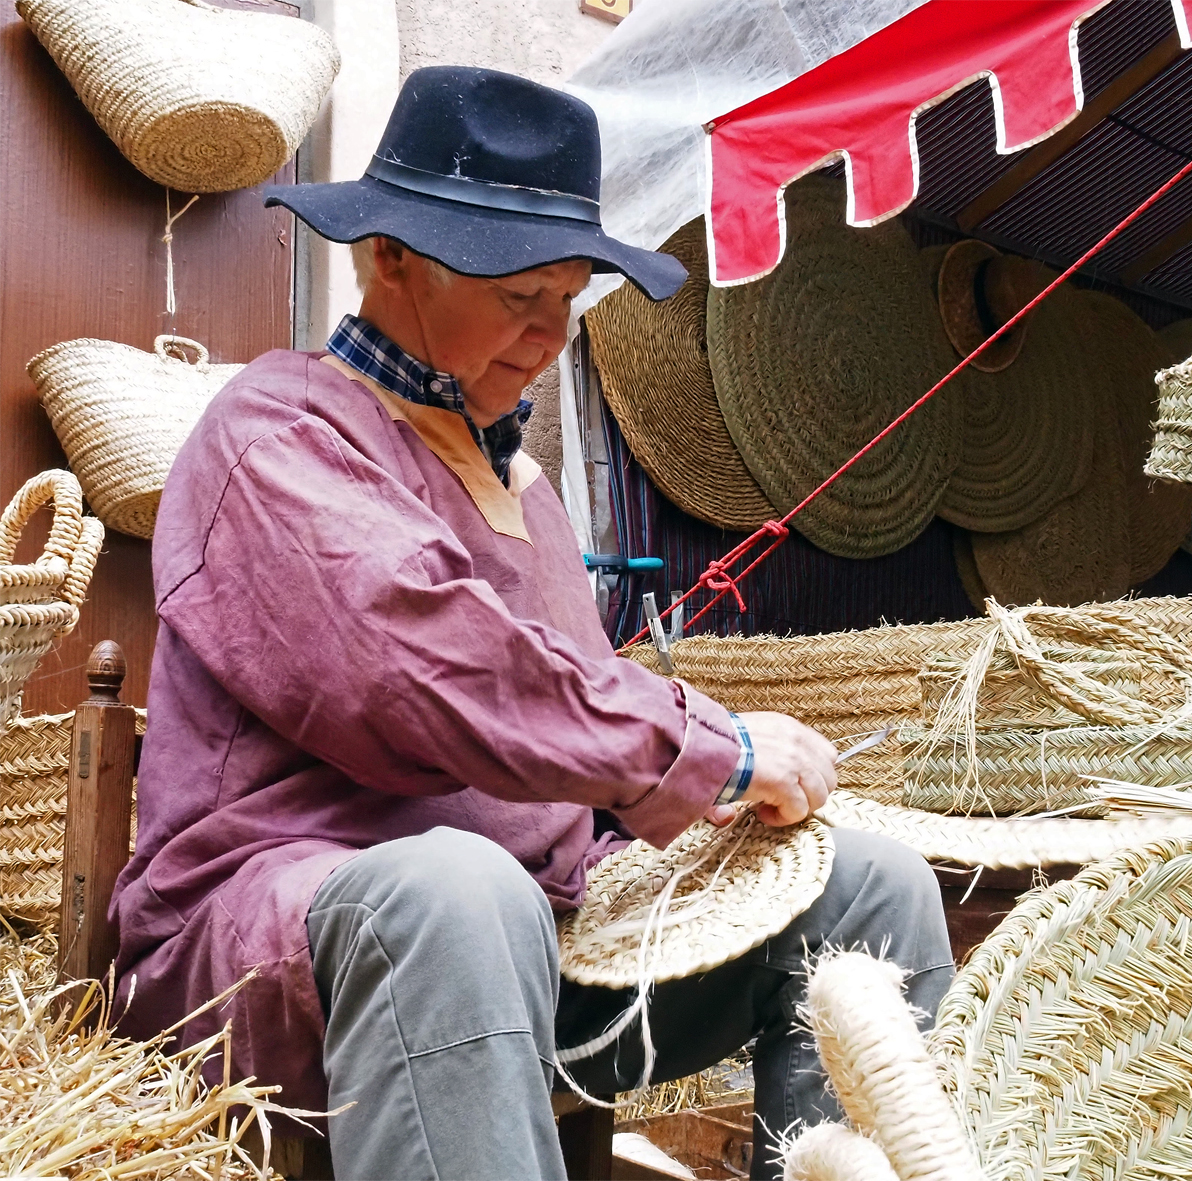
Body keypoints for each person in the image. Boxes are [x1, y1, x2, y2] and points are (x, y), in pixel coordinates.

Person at [108, 66, 952, 1180]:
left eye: (568, 296)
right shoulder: (280, 431)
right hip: (273, 950)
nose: (551, 334)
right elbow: (425, 670)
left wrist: (684, 823)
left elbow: (560, 741)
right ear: (388, 258)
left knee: (869, 885)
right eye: (518, 295)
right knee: (458, 886)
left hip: (542, 942)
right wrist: (716, 747)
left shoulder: (529, 488)